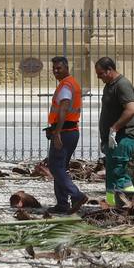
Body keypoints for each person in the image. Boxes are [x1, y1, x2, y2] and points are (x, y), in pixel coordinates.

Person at [45, 55, 88, 214]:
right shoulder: (71, 83)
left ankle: (77, 195)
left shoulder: (66, 86)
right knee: (60, 167)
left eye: (59, 68)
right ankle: (62, 204)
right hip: (70, 132)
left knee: (55, 167)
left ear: (67, 68)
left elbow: (63, 109)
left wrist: (56, 134)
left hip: (64, 133)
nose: (56, 71)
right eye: (54, 69)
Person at [95, 56, 134, 206]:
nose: (99, 77)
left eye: (101, 73)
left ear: (110, 70)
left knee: (118, 172)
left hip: (123, 136)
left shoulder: (122, 85)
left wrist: (115, 128)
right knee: (112, 172)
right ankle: (112, 205)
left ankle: (129, 205)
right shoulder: (109, 85)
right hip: (113, 138)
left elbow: (131, 110)